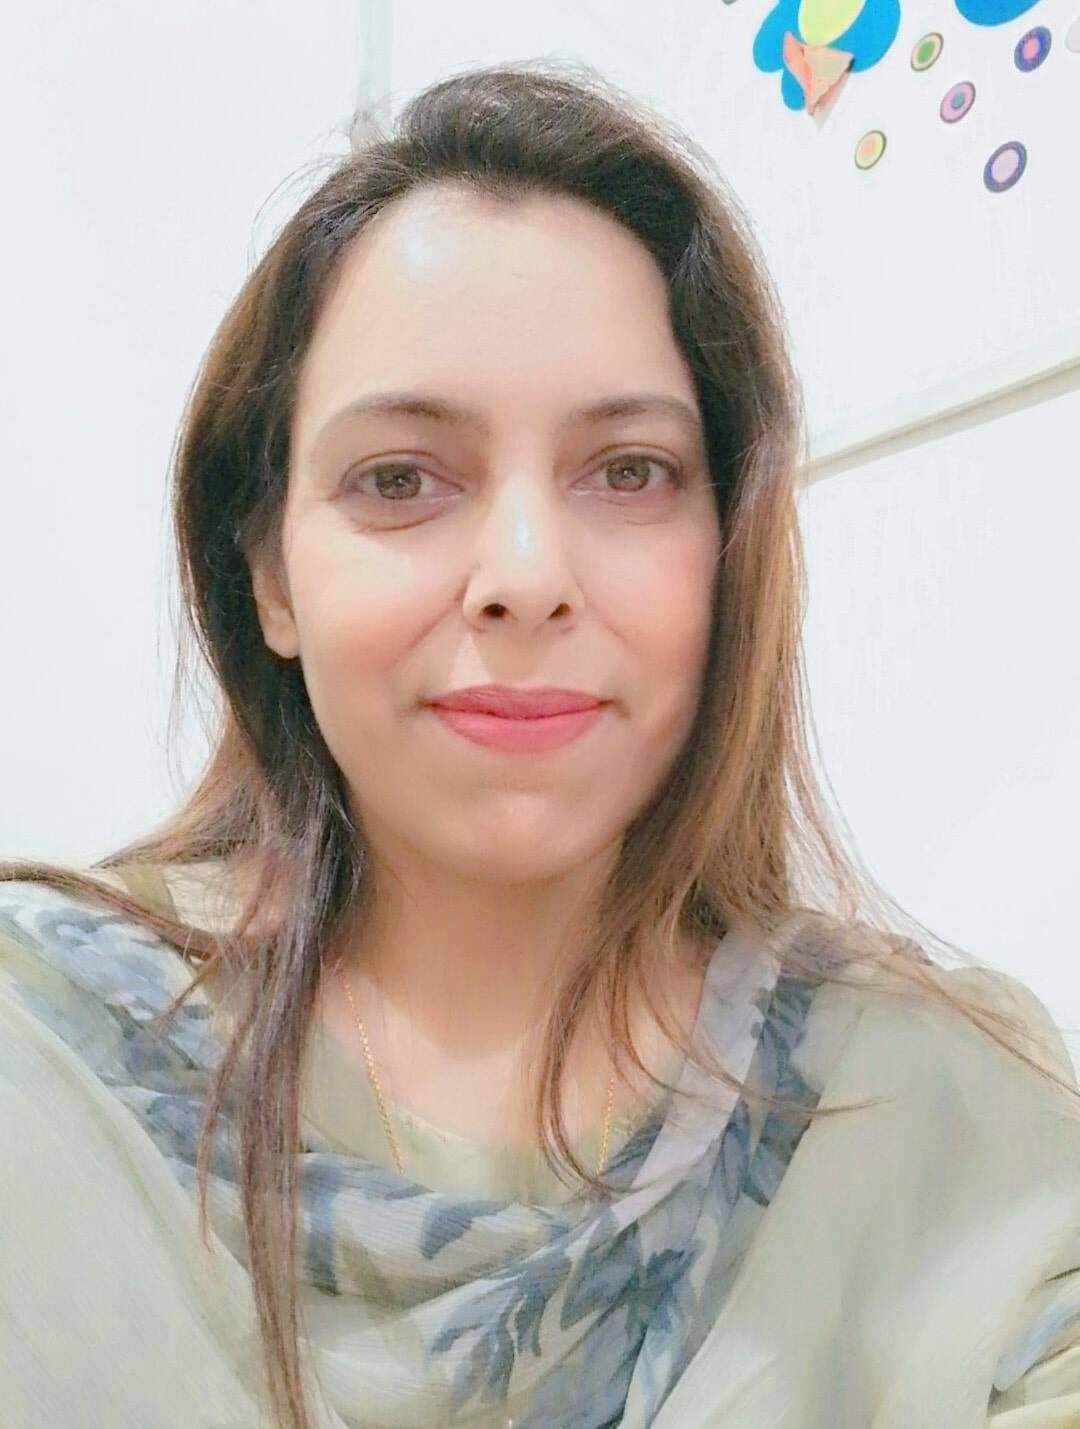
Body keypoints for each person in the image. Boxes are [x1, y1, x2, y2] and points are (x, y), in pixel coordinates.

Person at [1, 59, 1079, 1429]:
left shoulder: (954, 1127)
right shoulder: (39, 1070)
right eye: (401, 478)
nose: (525, 573)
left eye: (629, 472)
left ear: (728, 552)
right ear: (269, 574)